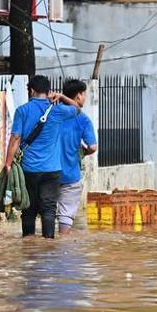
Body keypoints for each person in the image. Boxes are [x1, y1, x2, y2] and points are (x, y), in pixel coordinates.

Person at [4, 75, 81, 239]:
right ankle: (49, 244)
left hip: (29, 169)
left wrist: (8, 164)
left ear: (31, 90)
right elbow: (77, 108)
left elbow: (15, 138)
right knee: (49, 208)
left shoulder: (22, 110)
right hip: (52, 170)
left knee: (28, 208)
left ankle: (28, 244)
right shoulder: (58, 110)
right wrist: (62, 97)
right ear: (48, 91)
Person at [56, 79, 98, 235]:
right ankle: (63, 244)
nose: (84, 98)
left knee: (47, 213)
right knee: (65, 217)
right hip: (70, 175)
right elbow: (92, 147)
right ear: (78, 95)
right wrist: (83, 152)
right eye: (83, 94)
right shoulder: (83, 119)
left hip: (48, 172)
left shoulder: (53, 113)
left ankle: (44, 246)